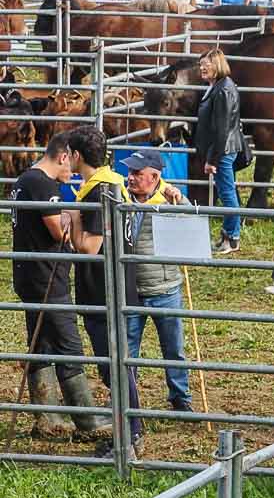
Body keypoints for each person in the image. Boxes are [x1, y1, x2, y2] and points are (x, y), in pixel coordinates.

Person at [10, 131, 111, 440]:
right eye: (72, 162)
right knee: (69, 343)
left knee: (40, 342)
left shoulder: (24, 181)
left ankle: (47, 417)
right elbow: (56, 230)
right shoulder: (43, 184)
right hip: (47, 277)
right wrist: (76, 215)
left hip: (30, 274)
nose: (73, 171)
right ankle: (88, 421)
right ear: (64, 156)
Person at [66, 126, 144, 457]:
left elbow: (90, 247)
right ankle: (129, 432)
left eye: (70, 153)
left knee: (113, 364)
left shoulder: (101, 192)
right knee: (115, 363)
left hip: (104, 290)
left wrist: (73, 221)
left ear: (77, 156)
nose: (67, 158)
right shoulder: (111, 184)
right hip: (113, 285)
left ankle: (130, 436)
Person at [123, 147, 193, 414]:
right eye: (130, 172)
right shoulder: (120, 198)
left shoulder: (169, 199)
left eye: (137, 173)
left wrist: (181, 199)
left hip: (165, 288)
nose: (130, 177)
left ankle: (180, 396)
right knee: (129, 350)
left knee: (173, 348)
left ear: (154, 177)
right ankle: (127, 397)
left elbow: (191, 224)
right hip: (131, 288)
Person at [192, 48, 244, 254]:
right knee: (226, 191)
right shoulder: (217, 86)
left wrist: (212, 159)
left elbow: (222, 129)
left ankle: (232, 238)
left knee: (228, 193)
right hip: (221, 149)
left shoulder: (223, 89)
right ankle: (227, 234)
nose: (203, 67)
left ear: (219, 65)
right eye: (201, 64)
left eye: (208, 64)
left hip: (222, 150)